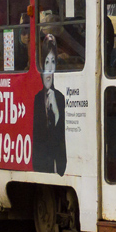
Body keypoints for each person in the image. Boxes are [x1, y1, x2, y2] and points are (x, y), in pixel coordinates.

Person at [31, 33, 67, 175]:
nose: (50, 69)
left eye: (53, 62)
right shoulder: (37, 99)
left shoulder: (60, 97)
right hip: (42, 164)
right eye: (46, 62)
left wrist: (57, 113)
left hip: (58, 166)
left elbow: (61, 139)